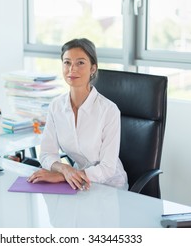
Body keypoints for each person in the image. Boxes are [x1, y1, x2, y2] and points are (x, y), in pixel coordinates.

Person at [27, 38, 128, 190]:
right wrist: (65, 169)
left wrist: (62, 176)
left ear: (93, 68)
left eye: (80, 63)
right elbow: (46, 153)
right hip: (76, 183)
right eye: (67, 62)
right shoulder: (56, 106)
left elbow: (107, 168)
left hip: (110, 186)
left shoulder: (109, 110)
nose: (72, 69)